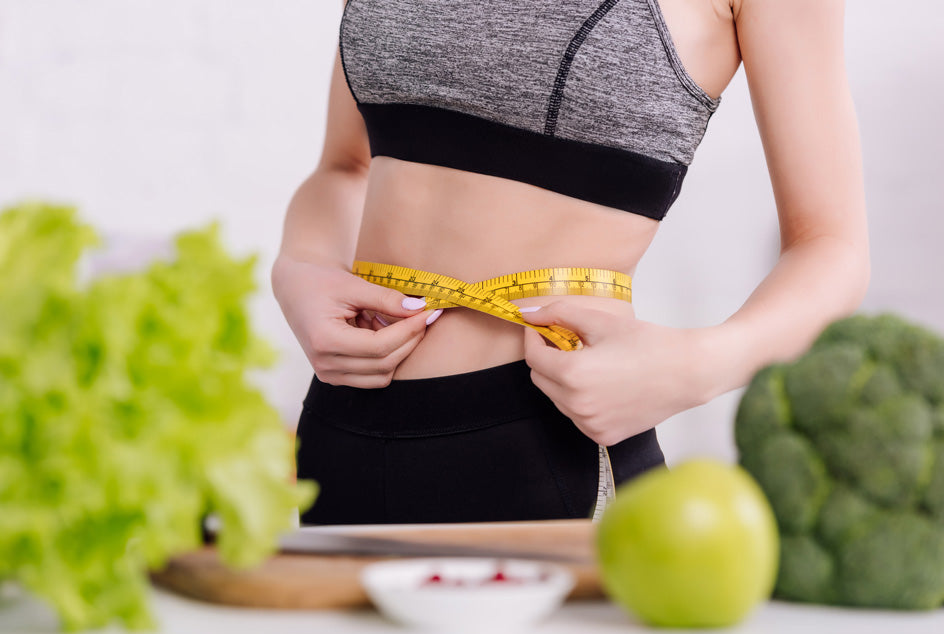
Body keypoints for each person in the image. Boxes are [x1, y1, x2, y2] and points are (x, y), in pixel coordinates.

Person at [272, 0, 870, 525]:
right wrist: (302, 264)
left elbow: (831, 246)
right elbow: (344, 168)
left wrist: (694, 367)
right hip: (336, 429)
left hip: (550, 449)